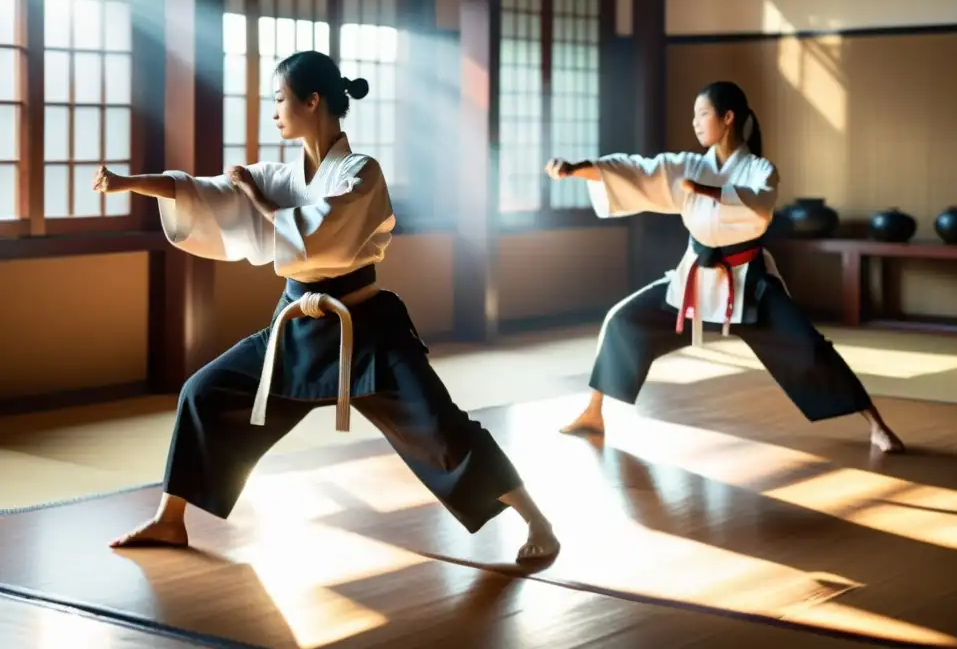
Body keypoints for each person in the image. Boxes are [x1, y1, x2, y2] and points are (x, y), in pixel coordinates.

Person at [95, 50, 559, 562]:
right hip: (295, 328)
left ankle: (538, 519)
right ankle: (170, 520)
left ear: (312, 100)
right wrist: (129, 183)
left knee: (439, 427)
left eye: (279, 99)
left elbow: (319, 235)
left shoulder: (361, 173)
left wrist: (257, 202)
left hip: (365, 329)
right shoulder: (282, 176)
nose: (273, 111)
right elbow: (205, 192)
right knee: (203, 392)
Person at [545, 81, 904, 453]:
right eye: (694, 115)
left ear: (728, 117)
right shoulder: (689, 165)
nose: (695, 122)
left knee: (808, 347)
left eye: (703, 114)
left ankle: (876, 425)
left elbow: (760, 206)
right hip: (695, 279)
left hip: (750, 281)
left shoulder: (759, 169)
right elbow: (636, 172)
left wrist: (711, 192)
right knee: (623, 320)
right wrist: (576, 170)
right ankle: (593, 412)